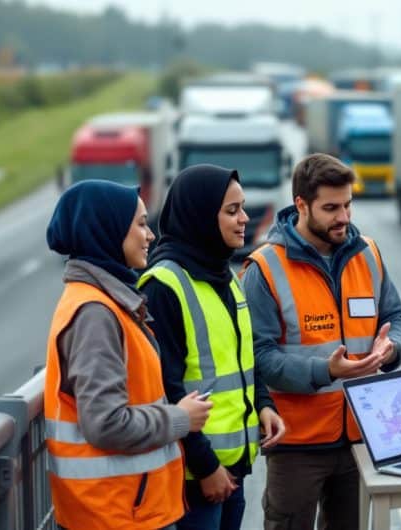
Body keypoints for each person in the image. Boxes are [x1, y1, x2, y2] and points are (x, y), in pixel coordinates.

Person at [240, 153, 401, 530]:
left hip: (362, 437)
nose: (344, 217)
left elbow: (395, 317)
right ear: (301, 204)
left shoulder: (368, 253)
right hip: (298, 444)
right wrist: (325, 370)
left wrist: (392, 347)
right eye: (331, 208)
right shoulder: (264, 268)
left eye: (348, 204)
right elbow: (257, 357)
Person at [43, 180, 212, 530]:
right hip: (117, 515)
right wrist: (180, 418)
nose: (149, 235)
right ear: (107, 230)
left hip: (125, 510)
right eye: (139, 223)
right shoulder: (95, 313)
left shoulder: (106, 302)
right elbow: (105, 424)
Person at [138, 165, 286, 530]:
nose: (244, 220)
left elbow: (241, 358)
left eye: (243, 208)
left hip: (231, 465)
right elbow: (167, 388)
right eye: (231, 211)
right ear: (201, 216)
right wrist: (205, 467)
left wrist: (263, 404)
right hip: (194, 475)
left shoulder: (224, 275)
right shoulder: (164, 285)